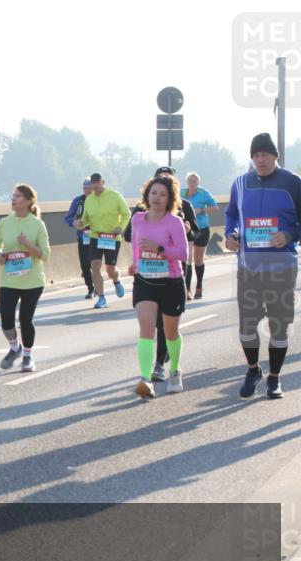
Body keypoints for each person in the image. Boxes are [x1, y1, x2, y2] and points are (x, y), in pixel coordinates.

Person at [225, 133, 301, 399]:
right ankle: (253, 369)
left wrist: (289, 235)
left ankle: (275, 378)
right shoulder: (241, 183)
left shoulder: (292, 183)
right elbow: (232, 214)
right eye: (256, 155)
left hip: (282, 267)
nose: (260, 160)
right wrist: (231, 234)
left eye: (265, 155)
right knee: (247, 325)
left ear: (275, 156)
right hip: (249, 267)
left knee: (279, 325)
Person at [123, 166, 199, 383]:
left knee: (170, 332)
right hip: (144, 281)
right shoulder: (137, 218)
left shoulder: (174, 222)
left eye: (162, 194)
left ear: (170, 199)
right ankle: (145, 379)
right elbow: (136, 245)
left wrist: (160, 249)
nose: (157, 197)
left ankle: (174, 369)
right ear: (147, 195)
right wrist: (135, 265)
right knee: (146, 331)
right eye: (153, 192)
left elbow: (183, 254)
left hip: (171, 282)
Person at [0, 184, 52, 373]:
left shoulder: (37, 224)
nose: (13, 199)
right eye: (13, 196)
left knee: (25, 319)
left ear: (28, 201)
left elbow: (46, 255)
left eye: (17, 196)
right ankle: (14, 347)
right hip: (9, 279)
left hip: (32, 281)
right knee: (6, 320)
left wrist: (27, 245)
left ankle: (27, 355)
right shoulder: (4, 223)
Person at [78, 173, 130, 308]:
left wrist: (121, 227)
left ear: (103, 182)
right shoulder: (89, 200)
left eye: (97, 182)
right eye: (93, 183)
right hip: (96, 236)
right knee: (94, 265)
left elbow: (126, 214)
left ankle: (117, 281)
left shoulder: (115, 196)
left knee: (110, 269)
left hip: (112, 237)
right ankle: (101, 297)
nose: (95, 185)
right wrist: (80, 223)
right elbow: (85, 219)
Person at [181, 172, 219, 300]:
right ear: (187, 182)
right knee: (188, 259)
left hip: (202, 228)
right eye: (191, 180)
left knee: (198, 259)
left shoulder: (204, 194)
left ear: (198, 182)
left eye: (195, 180)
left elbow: (215, 208)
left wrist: (202, 210)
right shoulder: (181, 194)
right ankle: (187, 289)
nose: (193, 182)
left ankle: (199, 286)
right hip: (187, 229)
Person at [65, 178, 95, 298]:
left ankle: (98, 284)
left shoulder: (99, 200)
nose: (87, 191)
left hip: (97, 237)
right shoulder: (78, 201)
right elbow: (67, 218)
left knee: (95, 263)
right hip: (83, 237)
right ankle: (90, 288)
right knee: (84, 264)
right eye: (85, 188)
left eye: (90, 188)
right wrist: (74, 222)